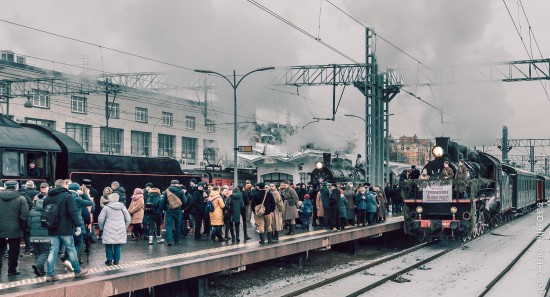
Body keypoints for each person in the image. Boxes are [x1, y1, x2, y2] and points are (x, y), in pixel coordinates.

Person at [43, 179, 88, 282]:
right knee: (71, 248)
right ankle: (77, 271)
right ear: (64, 186)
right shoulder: (67, 197)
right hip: (65, 228)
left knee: (53, 250)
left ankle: (49, 275)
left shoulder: (47, 198)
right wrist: (78, 225)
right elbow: (72, 213)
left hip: (52, 228)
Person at [0, 180, 29, 276]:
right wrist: (23, 227)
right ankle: (12, 270)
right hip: (15, 228)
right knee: (14, 250)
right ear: (16, 187)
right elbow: (24, 215)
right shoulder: (21, 199)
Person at [98, 192, 131, 266]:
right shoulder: (123, 207)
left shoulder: (106, 207)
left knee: (108, 244)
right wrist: (125, 227)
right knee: (118, 244)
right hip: (120, 227)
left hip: (108, 228)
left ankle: (109, 260)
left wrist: (101, 228)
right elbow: (128, 219)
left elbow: (100, 219)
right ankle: (116, 261)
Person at [28, 197, 49, 276]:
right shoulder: (47, 213)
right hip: (45, 237)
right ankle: (38, 265)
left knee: (37, 253)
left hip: (33, 237)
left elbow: (28, 225)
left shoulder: (32, 212)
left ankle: (40, 271)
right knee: (45, 252)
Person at [162, 180, 186, 246]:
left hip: (169, 210)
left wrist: (164, 208)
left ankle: (169, 240)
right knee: (178, 225)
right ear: (177, 184)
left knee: (169, 226)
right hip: (178, 210)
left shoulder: (167, 191)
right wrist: (182, 208)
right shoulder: (181, 191)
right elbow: (185, 201)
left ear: (171, 184)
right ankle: (177, 240)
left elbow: (163, 201)